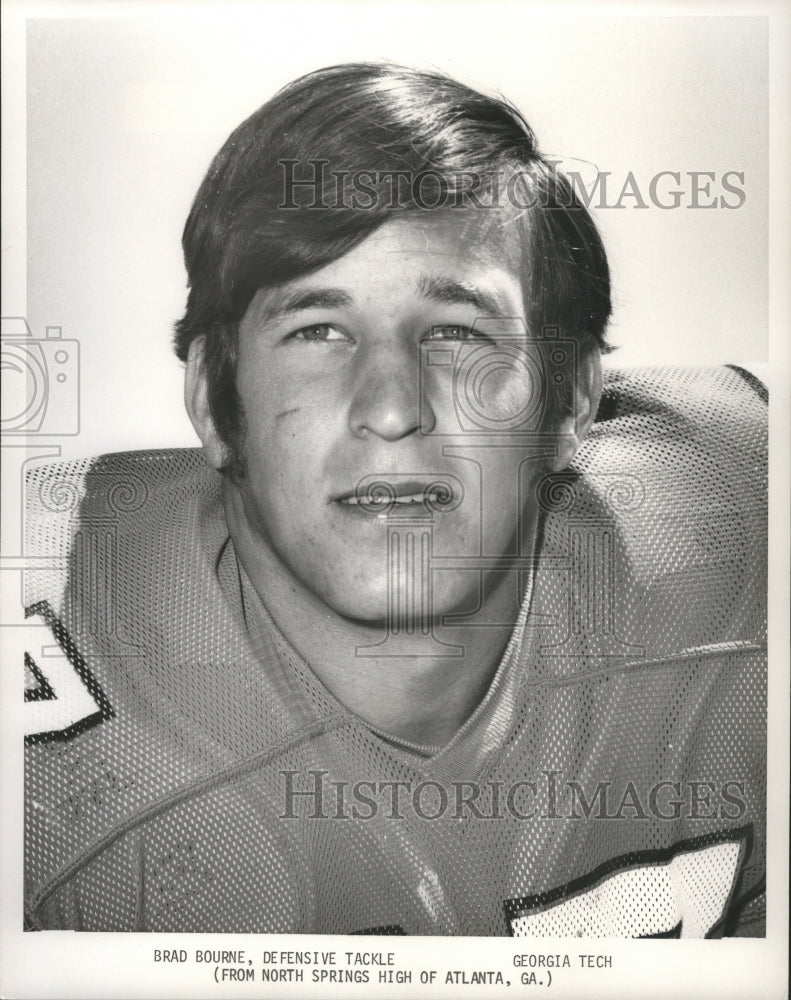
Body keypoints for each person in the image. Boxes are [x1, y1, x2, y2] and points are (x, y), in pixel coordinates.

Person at [23, 63, 766, 936]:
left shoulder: (746, 525)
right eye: (317, 331)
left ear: (569, 401)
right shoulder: (40, 747)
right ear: (213, 405)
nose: (389, 408)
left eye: (455, 332)